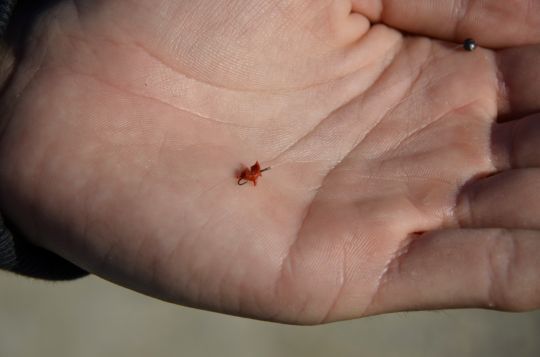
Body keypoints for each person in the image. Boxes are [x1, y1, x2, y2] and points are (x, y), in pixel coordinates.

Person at [1, 0, 540, 325]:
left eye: (253, 175)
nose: (252, 176)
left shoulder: (253, 172)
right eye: (253, 176)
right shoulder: (250, 171)